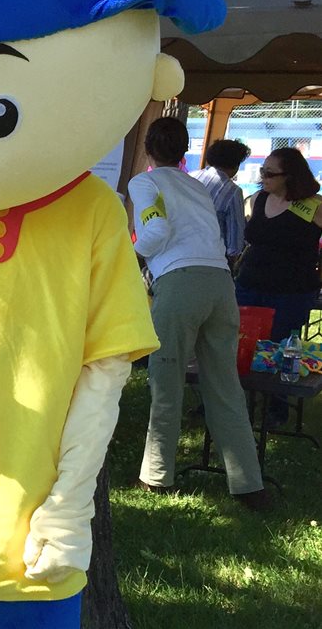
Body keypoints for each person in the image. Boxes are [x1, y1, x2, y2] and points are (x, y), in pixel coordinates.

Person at [130, 117, 269, 511]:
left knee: (167, 381)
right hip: (220, 285)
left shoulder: (145, 183)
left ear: (147, 150)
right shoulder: (198, 186)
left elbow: (153, 233)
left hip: (179, 283)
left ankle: (157, 476)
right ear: (184, 150)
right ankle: (248, 484)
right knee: (225, 386)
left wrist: (128, 259)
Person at [235, 146, 322, 342]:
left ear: (290, 176)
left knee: (279, 348)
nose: (263, 177)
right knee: (242, 345)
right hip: (249, 287)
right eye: (262, 171)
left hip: (290, 293)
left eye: (270, 173)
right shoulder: (257, 199)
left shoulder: (315, 205)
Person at [191, 139, 250, 268]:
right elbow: (235, 243)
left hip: (177, 252)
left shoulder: (190, 177)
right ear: (236, 165)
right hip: (210, 260)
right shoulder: (233, 192)